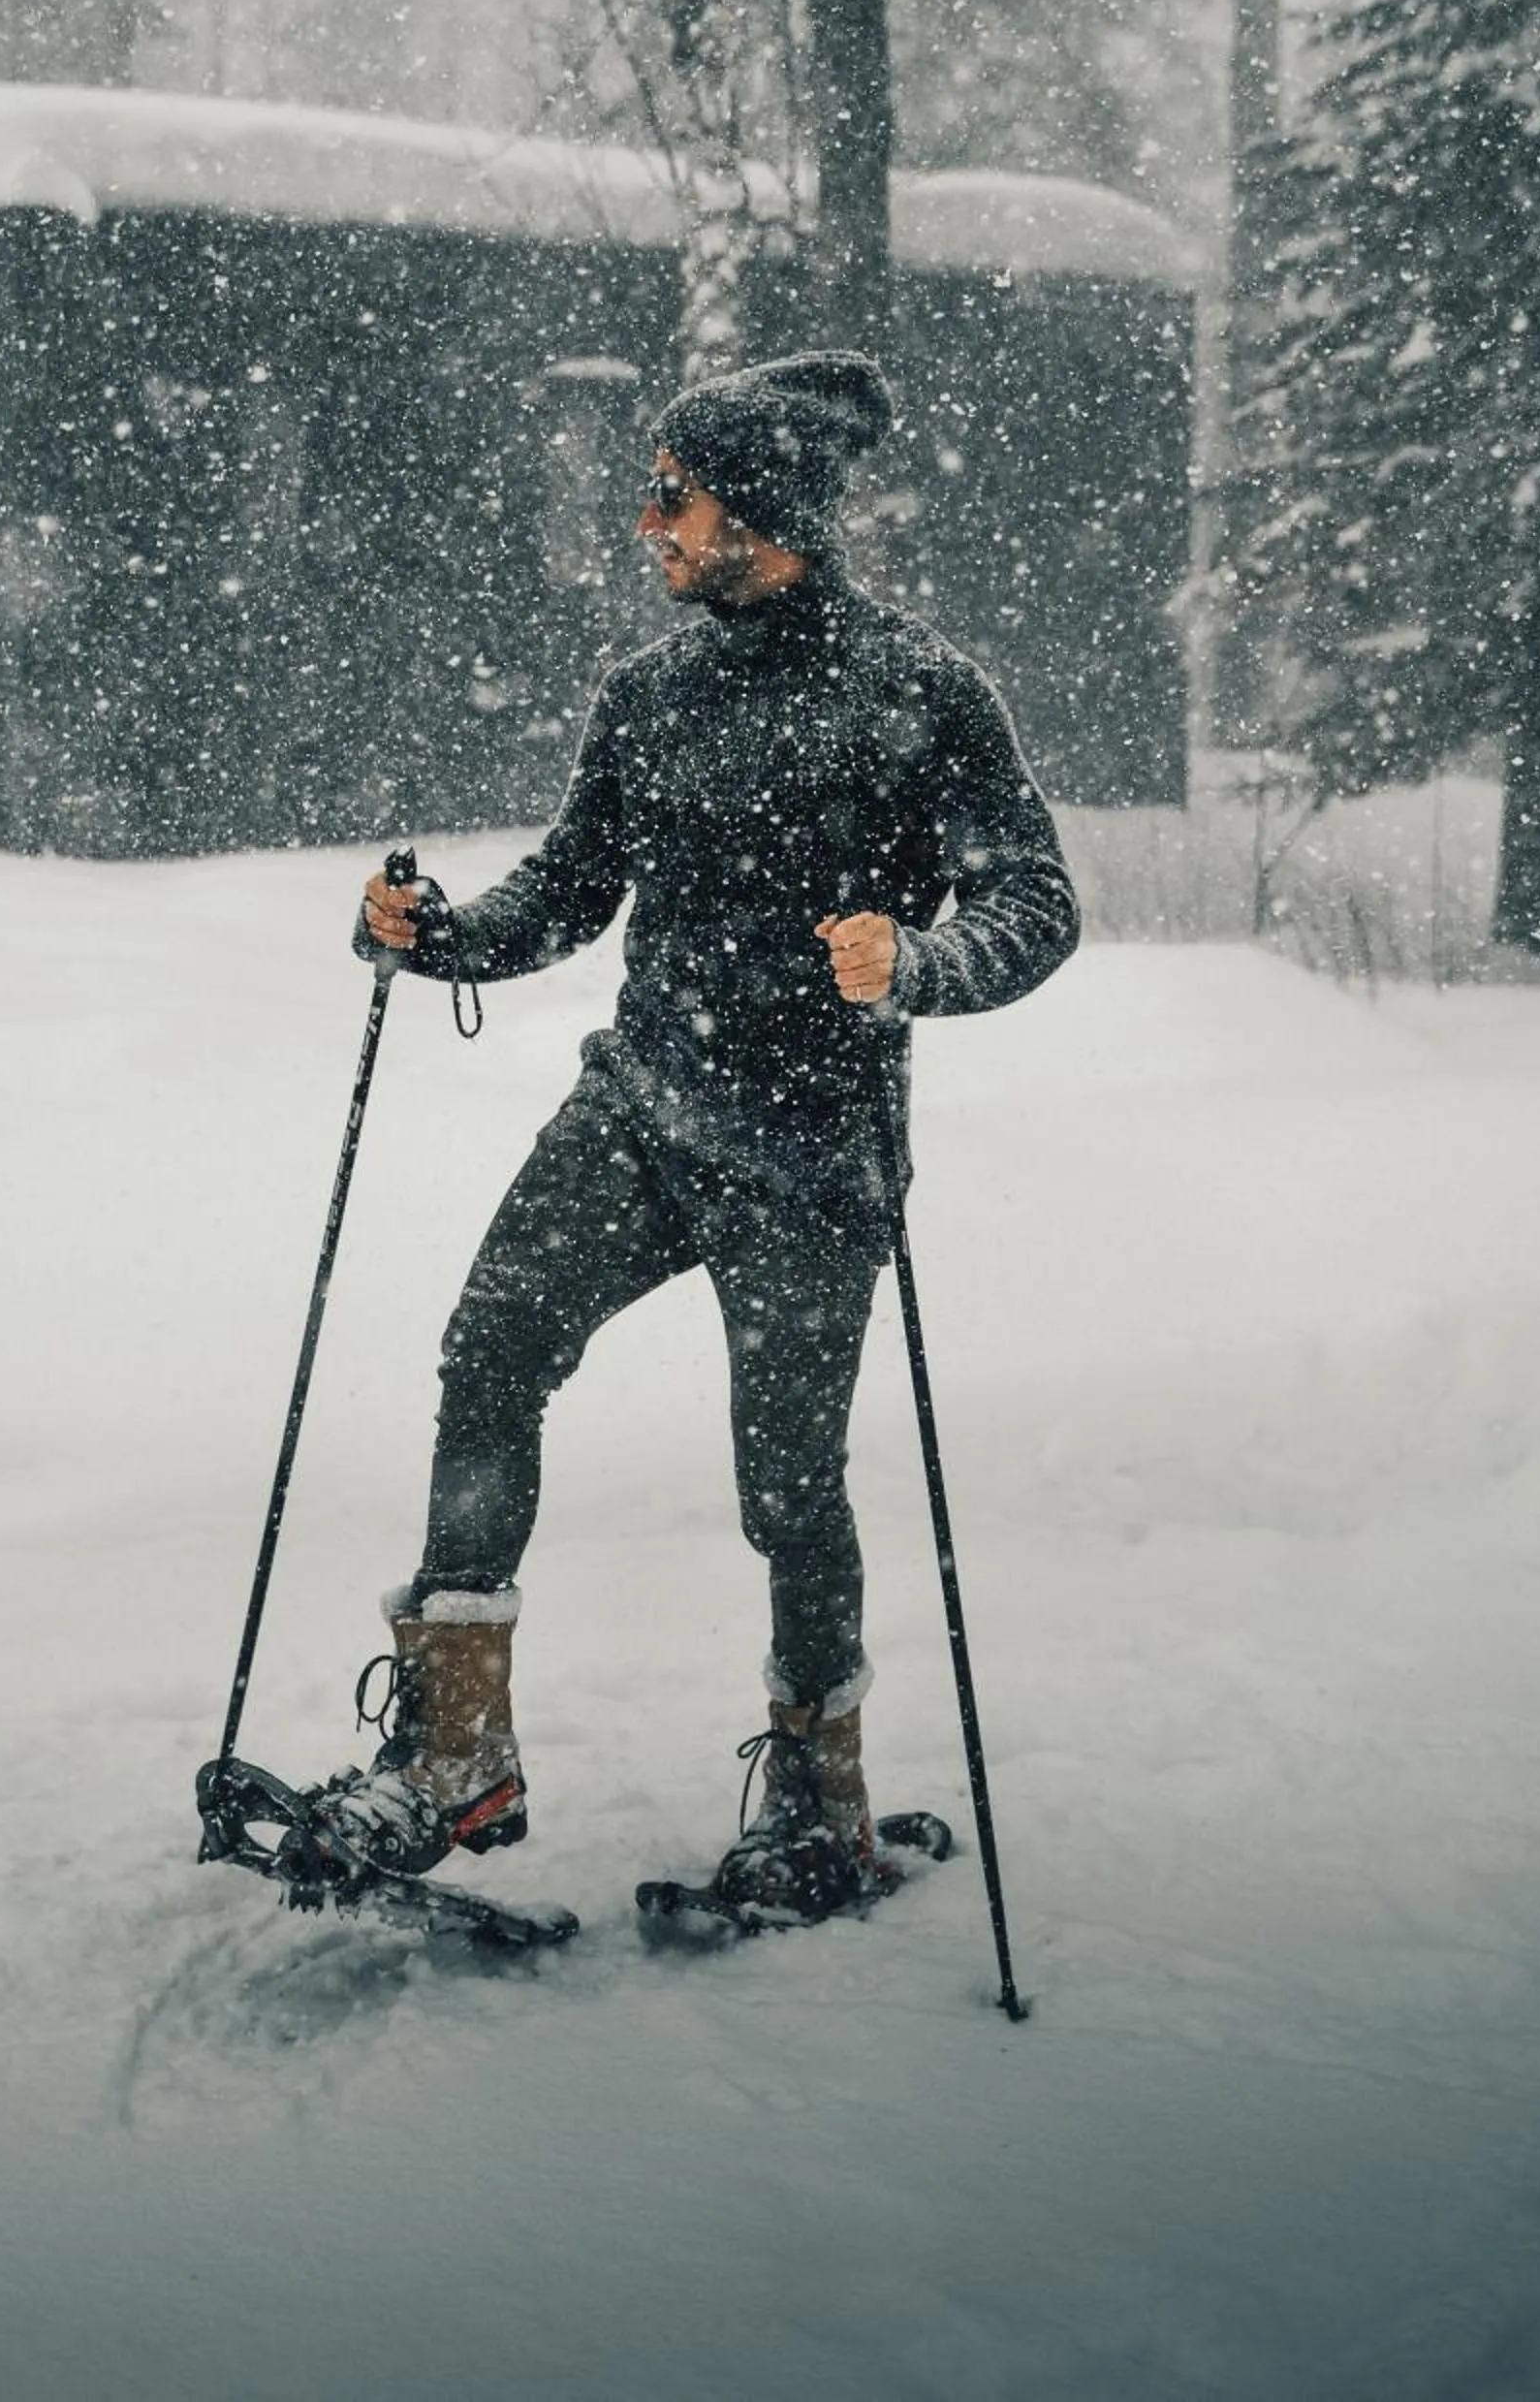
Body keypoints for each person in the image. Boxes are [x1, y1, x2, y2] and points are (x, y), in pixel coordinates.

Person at [311, 349, 1080, 1918]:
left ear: (765, 510)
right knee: (490, 1348)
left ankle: (820, 1802)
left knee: (786, 1484)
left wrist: (919, 963)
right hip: (643, 1110)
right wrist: (437, 935)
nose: (645, 521)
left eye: (673, 495)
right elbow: (575, 888)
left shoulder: (917, 692)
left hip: (812, 1154)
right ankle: (459, 1749)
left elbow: (1037, 904)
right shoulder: (650, 691)